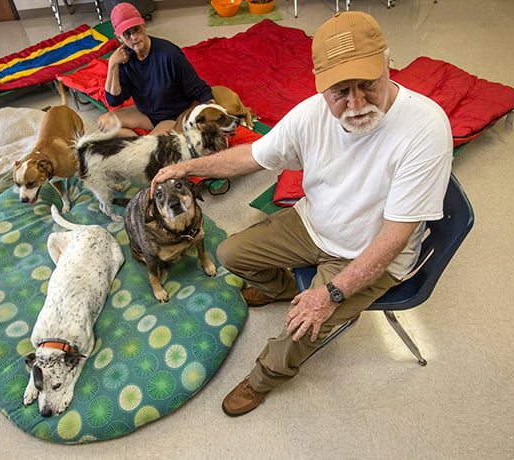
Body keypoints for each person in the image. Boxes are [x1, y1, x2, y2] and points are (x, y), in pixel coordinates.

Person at [151, 11, 453, 416]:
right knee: (230, 254)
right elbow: (252, 157)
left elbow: (395, 236)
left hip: (370, 252)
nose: (356, 103)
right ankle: (282, 288)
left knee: (299, 329)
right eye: (340, 91)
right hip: (313, 223)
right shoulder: (311, 114)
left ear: (387, 62)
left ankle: (262, 380)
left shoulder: (426, 127)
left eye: (367, 84)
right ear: (320, 86)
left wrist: (329, 295)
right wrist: (187, 167)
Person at [98, 2, 214, 137]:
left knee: (152, 148)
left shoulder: (169, 54)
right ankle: (139, 145)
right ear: (119, 38)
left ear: (143, 25)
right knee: (104, 122)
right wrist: (112, 64)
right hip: (146, 113)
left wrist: (211, 109)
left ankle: (144, 145)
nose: (134, 37)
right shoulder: (124, 57)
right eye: (127, 34)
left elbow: (199, 89)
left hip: (173, 116)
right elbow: (114, 101)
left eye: (137, 30)